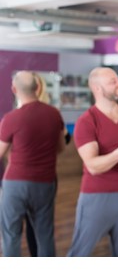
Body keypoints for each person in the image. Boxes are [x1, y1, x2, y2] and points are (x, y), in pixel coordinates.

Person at [67, 67, 118, 257]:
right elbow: (93, 166)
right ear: (97, 88)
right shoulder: (87, 121)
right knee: (79, 253)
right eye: (113, 81)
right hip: (96, 197)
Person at [0, 71, 66, 256]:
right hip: (45, 182)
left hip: (15, 183)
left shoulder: (11, 118)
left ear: (14, 89)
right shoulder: (54, 115)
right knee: (44, 234)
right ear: (38, 87)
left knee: (11, 234)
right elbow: (60, 148)